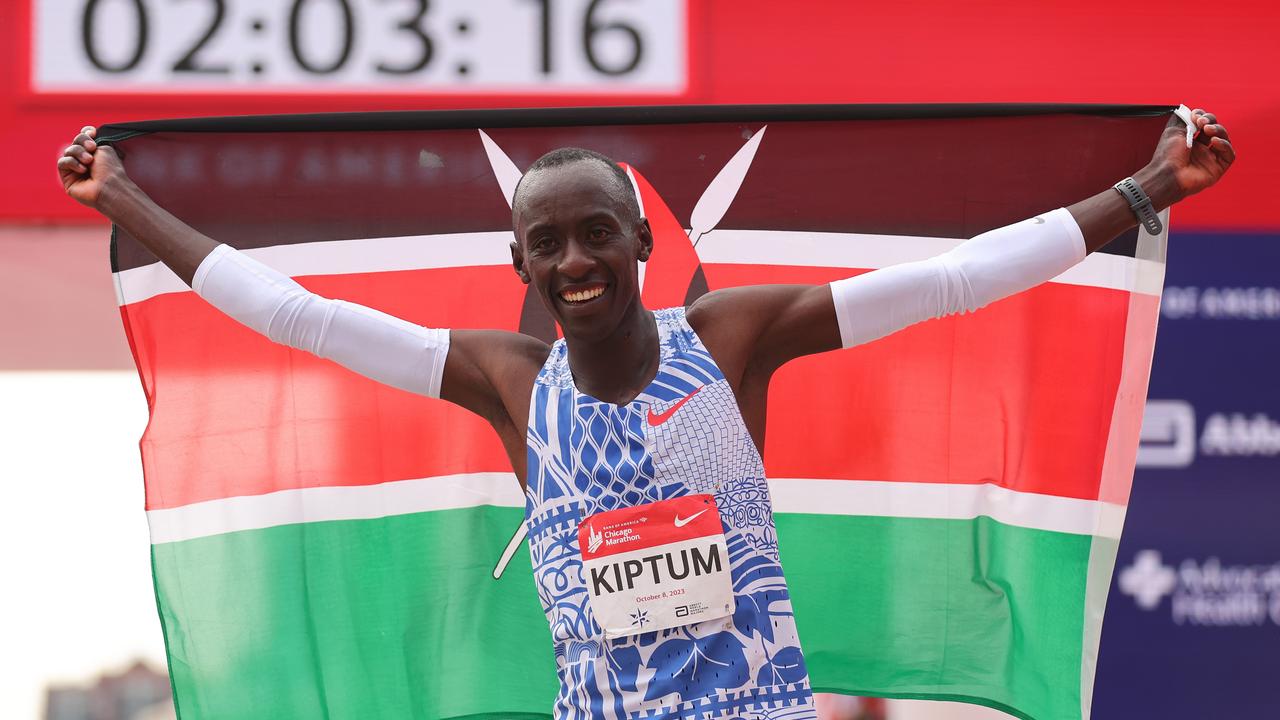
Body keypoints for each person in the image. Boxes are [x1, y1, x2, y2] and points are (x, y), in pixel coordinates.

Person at [58, 110, 1233, 720]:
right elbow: (292, 314)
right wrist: (127, 202)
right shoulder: (509, 382)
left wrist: (1139, 194)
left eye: (595, 232)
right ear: (519, 257)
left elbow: (948, 281)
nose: (575, 258)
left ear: (637, 239)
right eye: (548, 241)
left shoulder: (729, 342)